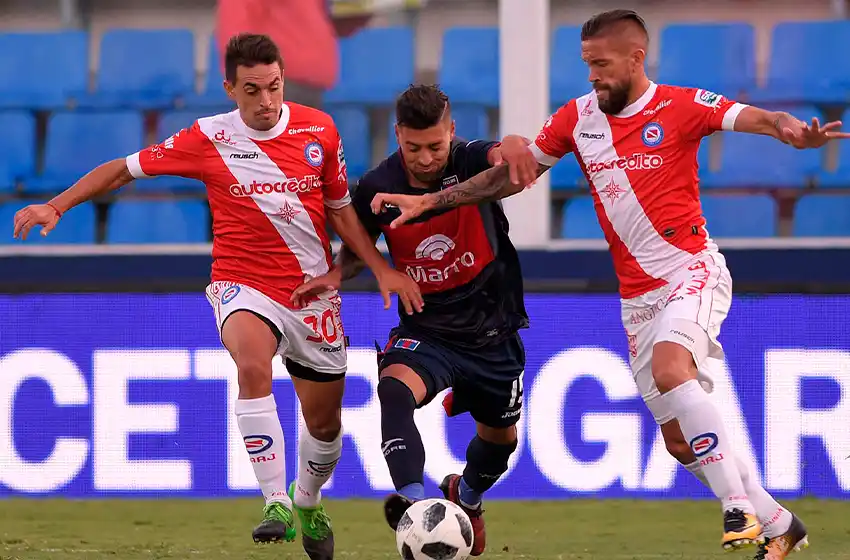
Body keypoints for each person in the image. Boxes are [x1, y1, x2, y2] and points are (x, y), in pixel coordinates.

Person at [367, 10, 850, 559]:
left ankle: (735, 505)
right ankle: (781, 523)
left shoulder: (682, 104)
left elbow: (758, 118)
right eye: (586, 64)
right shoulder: (577, 118)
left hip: (690, 269)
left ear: (635, 58)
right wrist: (430, 200)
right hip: (638, 298)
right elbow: (508, 178)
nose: (592, 75)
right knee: (676, 440)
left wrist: (789, 128)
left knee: (673, 369)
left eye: (600, 64)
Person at [12, 33, 423, 560]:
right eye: (251, 90)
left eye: (273, 87)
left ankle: (308, 499)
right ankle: (274, 500)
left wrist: (380, 269)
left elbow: (341, 207)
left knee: (325, 427)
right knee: (252, 365)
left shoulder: (319, 129)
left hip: (310, 294)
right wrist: (58, 205)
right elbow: (122, 168)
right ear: (230, 87)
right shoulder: (206, 139)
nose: (266, 101)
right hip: (241, 281)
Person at [292, 84, 527, 557]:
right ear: (398, 134)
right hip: (427, 326)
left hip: (492, 329)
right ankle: (415, 503)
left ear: (452, 133)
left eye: (435, 146)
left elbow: (506, 155)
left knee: (499, 443)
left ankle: (468, 495)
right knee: (394, 390)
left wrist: (518, 144)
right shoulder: (377, 185)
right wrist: (338, 275)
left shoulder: (469, 161)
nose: (424, 158)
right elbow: (359, 250)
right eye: (413, 147)